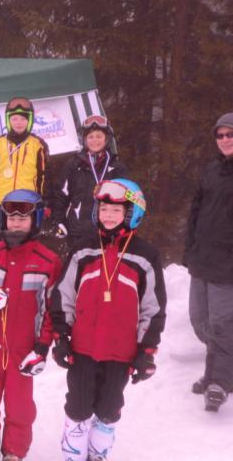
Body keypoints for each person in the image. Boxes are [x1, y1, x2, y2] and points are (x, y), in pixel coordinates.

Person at [50, 179, 166, 461]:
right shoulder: (83, 250)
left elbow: (153, 308)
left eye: (116, 210)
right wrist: (61, 336)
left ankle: (97, 454)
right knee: (78, 408)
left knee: (109, 410)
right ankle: (73, 455)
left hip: (121, 352)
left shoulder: (145, 255)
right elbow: (64, 295)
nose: (109, 215)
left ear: (131, 213)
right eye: (103, 209)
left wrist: (146, 351)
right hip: (82, 349)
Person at [0, 190, 62, 461]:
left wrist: (42, 347)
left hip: (23, 350)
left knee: (20, 409)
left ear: (35, 221)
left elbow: (50, 310)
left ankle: (13, 453)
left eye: (23, 219)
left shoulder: (48, 261)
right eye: (11, 218)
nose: (16, 224)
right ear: (4, 220)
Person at [184, 112, 233, 412]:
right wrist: (189, 250)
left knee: (222, 324)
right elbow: (195, 211)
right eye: (220, 135)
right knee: (200, 321)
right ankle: (217, 372)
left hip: (227, 267)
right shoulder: (211, 170)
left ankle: (219, 383)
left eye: (230, 134)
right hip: (201, 260)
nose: (225, 139)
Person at [0, 97, 49, 240]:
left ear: (29, 121)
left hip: (28, 202)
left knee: (27, 241)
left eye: (23, 119)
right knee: (1, 241)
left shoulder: (38, 144)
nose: (19, 123)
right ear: (8, 120)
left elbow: (45, 176)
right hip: (2, 202)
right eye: (14, 119)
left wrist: (46, 201)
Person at [51, 114, 128, 245]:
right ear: (84, 140)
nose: (94, 140)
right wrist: (58, 221)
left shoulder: (116, 167)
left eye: (99, 136)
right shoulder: (73, 164)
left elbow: (126, 200)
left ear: (106, 139)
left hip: (107, 231)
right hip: (77, 231)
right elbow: (60, 195)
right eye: (90, 137)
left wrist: (124, 226)